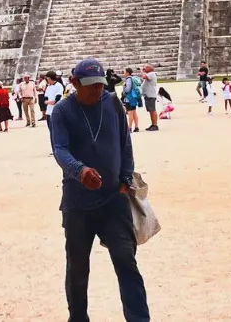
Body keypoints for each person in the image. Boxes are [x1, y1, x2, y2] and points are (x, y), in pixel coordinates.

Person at [50, 58, 150, 322]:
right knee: (78, 268)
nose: (97, 91)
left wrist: (125, 178)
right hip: (77, 204)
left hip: (112, 201)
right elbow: (59, 150)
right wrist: (79, 170)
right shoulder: (61, 111)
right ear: (74, 83)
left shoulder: (112, 102)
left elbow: (124, 141)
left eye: (100, 85)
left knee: (126, 261)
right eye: (90, 86)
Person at [139, 65, 159, 132]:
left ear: (150, 69)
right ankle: (153, 124)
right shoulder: (149, 74)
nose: (144, 68)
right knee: (151, 111)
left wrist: (141, 70)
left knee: (152, 111)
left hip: (151, 95)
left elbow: (144, 76)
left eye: (146, 67)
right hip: (148, 95)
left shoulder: (151, 74)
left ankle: (155, 125)